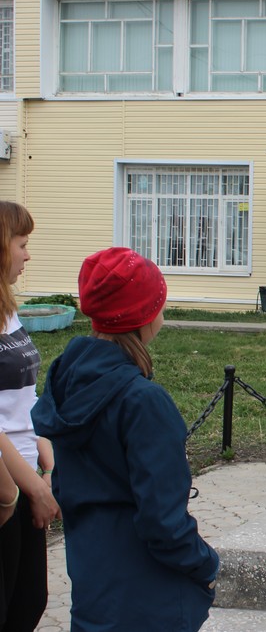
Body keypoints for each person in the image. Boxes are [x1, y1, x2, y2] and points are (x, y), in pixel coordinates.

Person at [31, 247, 219, 631]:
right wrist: (206, 566)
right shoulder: (143, 402)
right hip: (149, 599)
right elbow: (163, 522)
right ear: (146, 315)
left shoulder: (68, 385)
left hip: (94, 587)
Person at [0, 201, 59, 632]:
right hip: (7, 483)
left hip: (26, 468)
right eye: (22, 244)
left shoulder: (9, 309)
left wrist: (45, 452)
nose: (28, 254)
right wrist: (31, 485)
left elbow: (23, 397)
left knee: (30, 601)